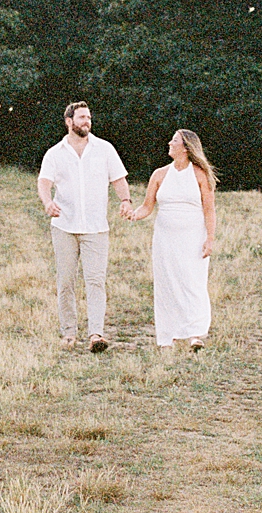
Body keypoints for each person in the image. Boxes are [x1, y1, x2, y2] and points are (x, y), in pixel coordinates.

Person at [37, 101, 131, 352]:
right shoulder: (55, 153)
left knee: (95, 281)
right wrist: (47, 202)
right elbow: (44, 182)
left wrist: (125, 200)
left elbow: (118, 179)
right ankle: (69, 332)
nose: (87, 121)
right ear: (69, 122)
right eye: (81, 117)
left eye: (89, 117)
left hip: (96, 228)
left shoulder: (105, 149)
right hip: (64, 227)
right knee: (66, 281)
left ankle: (96, 334)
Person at [128, 129, 217, 351]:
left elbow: (209, 209)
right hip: (165, 238)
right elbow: (148, 206)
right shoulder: (159, 174)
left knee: (192, 282)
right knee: (167, 283)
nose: (169, 143)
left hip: (193, 236)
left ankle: (196, 334)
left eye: (174, 140)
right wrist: (134, 214)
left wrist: (210, 239)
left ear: (185, 148)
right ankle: (168, 336)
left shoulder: (199, 175)